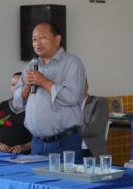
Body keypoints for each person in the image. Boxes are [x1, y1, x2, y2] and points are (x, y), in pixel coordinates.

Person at [13, 21, 86, 162]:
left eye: (42, 37)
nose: (37, 43)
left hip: (64, 143)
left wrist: (43, 81)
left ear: (57, 39)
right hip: (37, 143)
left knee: (66, 184)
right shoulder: (31, 65)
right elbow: (17, 103)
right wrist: (27, 86)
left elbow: (72, 97)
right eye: (34, 39)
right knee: (39, 184)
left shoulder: (72, 63)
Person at [0, 72, 32, 154]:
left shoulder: (34, 107)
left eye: (20, 85)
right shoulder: (3, 105)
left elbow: (40, 139)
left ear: (27, 87)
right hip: (0, 152)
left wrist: (24, 147)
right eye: (13, 85)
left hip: (24, 155)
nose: (16, 88)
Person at [81, 79, 109, 159]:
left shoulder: (99, 102)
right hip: (73, 151)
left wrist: (71, 127)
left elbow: (93, 129)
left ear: (87, 86)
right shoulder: (69, 105)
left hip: (91, 152)